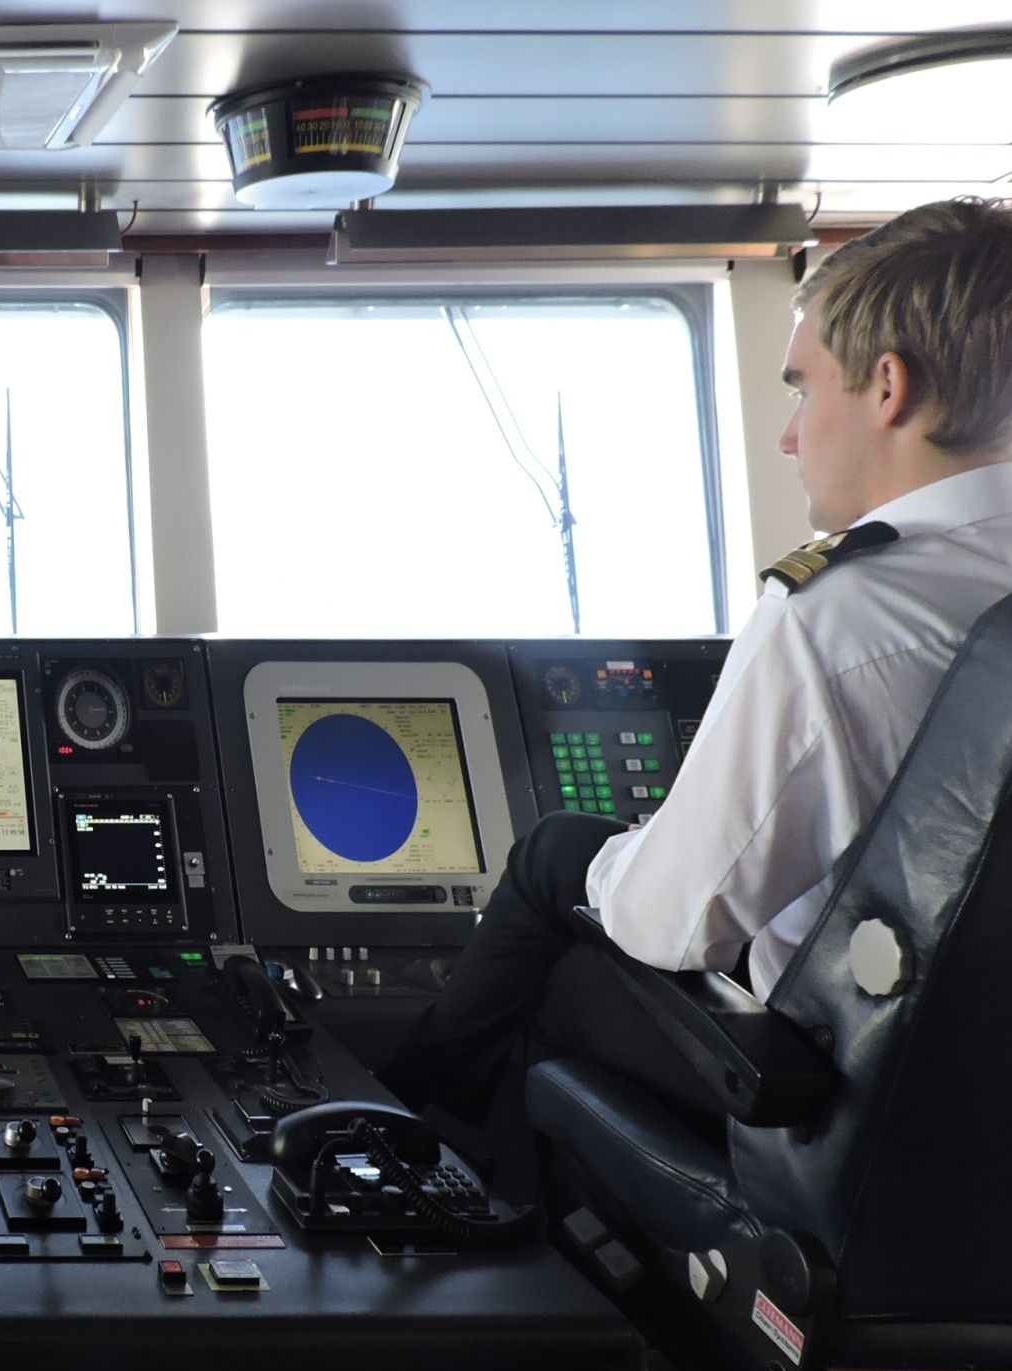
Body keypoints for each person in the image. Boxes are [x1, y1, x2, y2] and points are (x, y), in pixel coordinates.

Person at [379, 197, 1012, 1127]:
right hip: (980, 1094)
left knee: (559, 886)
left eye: (803, 390)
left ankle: (397, 1143)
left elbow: (673, 923)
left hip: (855, 1096)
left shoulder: (836, 614)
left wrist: (640, 854)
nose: (788, 436)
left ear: (887, 388)